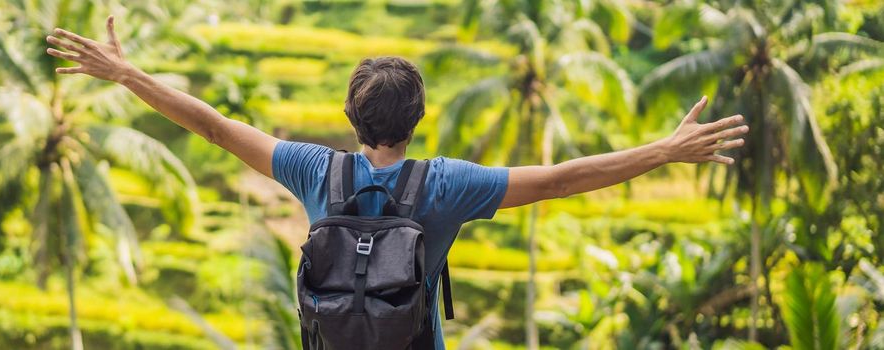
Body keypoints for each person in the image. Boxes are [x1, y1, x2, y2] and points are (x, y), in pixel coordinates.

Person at [46, 16, 749, 349]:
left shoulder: (316, 170)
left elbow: (214, 127)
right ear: (417, 119)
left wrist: (128, 74)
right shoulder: (445, 186)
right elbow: (564, 180)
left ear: (349, 115)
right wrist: (662, 151)